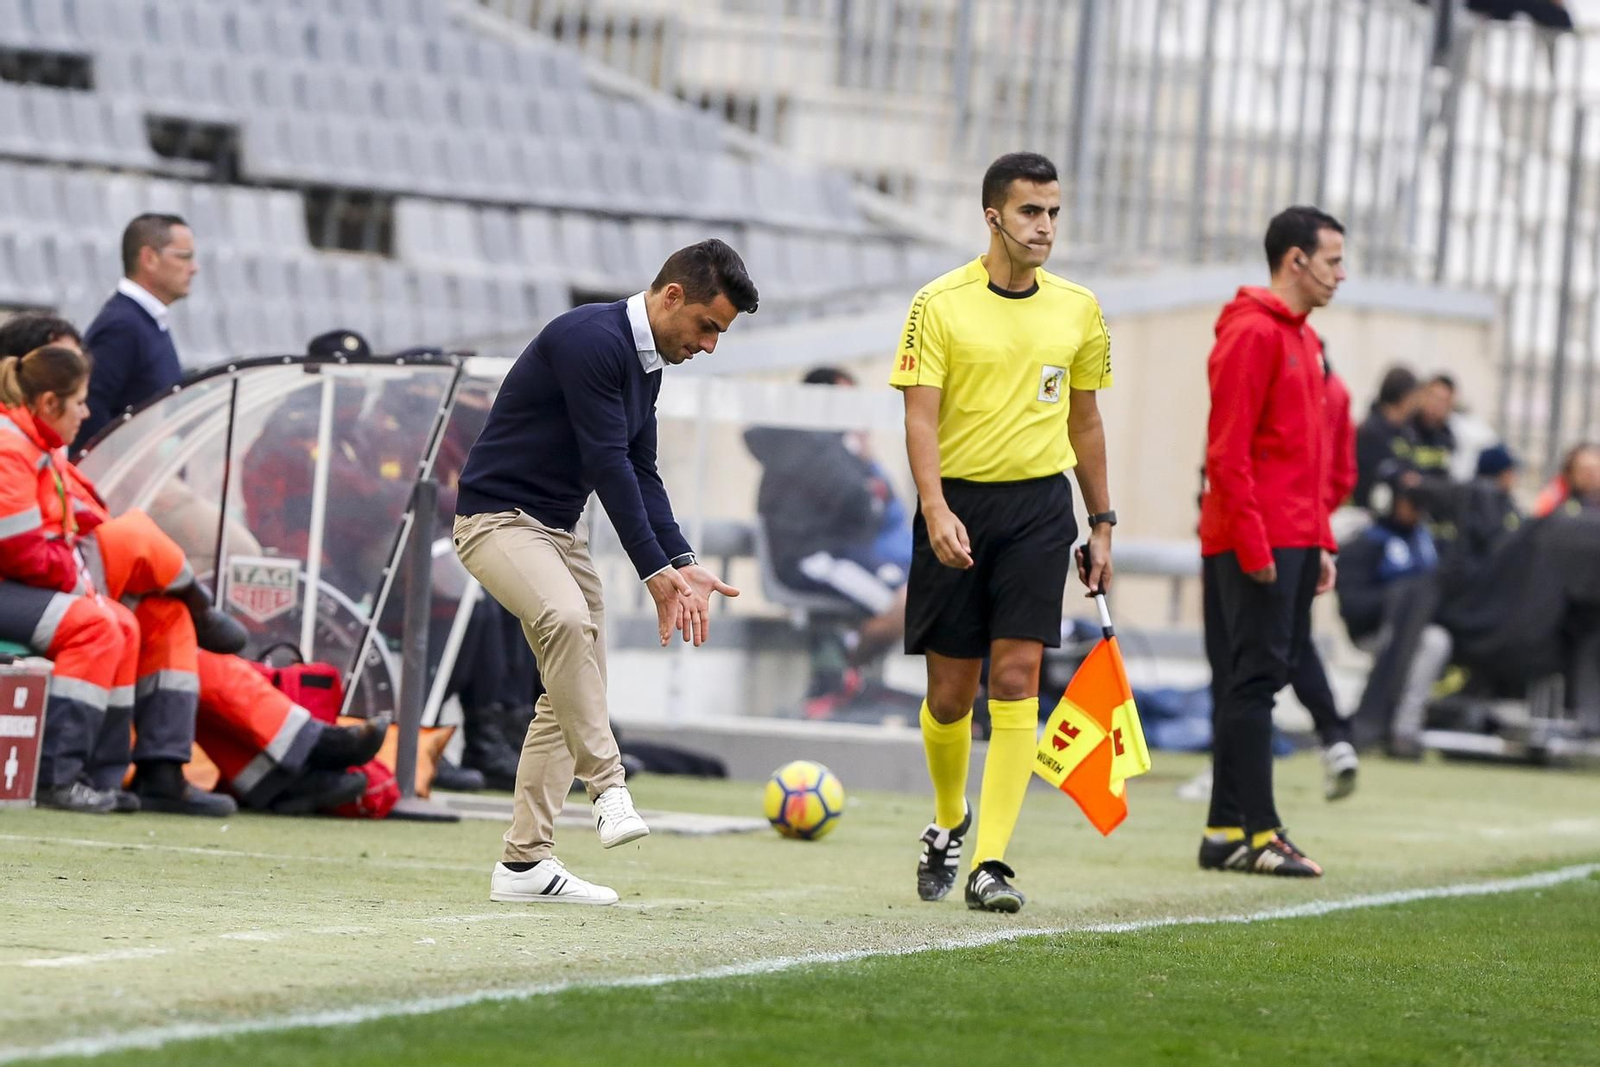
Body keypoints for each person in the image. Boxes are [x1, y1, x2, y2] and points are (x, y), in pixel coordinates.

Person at [454, 240, 757, 906]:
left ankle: (525, 863)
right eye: (708, 325)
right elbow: (606, 463)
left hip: (559, 535)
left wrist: (682, 561)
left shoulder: (645, 365)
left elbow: (641, 469)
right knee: (565, 622)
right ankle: (609, 787)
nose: (710, 344)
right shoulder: (590, 339)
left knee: (572, 689)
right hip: (496, 521)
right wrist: (651, 570)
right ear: (672, 295)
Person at [890, 152, 1114, 913]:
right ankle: (950, 817)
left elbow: (1086, 419)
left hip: (1038, 511)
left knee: (1017, 678)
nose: (1045, 226)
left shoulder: (1079, 308)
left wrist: (1102, 521)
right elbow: (920, 417)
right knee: (951, 695)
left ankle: (990, 861)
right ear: (993, 216)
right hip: (955, 506)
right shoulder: (938, 304)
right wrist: (934, 507)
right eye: (1030, 212)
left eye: (1053, 212)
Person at [1198, 205, 1345, 879]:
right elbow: (1228, 453)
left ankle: (1225, 829)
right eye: (1332, 260)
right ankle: (1260, 831)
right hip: (1252, 538)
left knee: (1252, 681)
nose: (1340, 274)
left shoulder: (1305, 341)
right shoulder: (1254, 334)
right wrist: (1257, 547)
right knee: (1252, 683)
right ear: (1296, 260)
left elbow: (1307, 459)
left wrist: (1318, 539)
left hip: (1289, 537)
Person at [744, 366, 913, 717]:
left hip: (841, 554)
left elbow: (874, 508)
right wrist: (863, 469)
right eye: (845, 403)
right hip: (811, 559)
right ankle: (839, 676)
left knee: (918, 599)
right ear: (821, 402)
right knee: (903, 608)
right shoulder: (808, 443)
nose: (854, 414)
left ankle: (845, 674)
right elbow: (861, 502)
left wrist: (864, 470)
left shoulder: (829, 447)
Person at [1337, 468, 1452, 759]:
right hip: (1376, 629)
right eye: (1408, 501)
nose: (1415, 509)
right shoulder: (1366, 541)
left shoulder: (1427, 543)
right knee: (1421, 642)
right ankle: (1377, 723)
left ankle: (1405, 728)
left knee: (1436, 641)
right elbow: (1352, 605)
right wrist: (1396, 599)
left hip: (1418, 629)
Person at [1288, 354, 1359, 801]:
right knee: (1294, 645)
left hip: (1269, 535)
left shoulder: (1299, 385)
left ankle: (1227, 769)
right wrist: (1317, 527)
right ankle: (1336, 737)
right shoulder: (1335, 391)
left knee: (1246, 662)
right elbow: (1340, 476)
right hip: (1304, 532)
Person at [77, 213, 197, 450]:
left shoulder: (144, 321)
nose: (194, 268)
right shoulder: (122, 326)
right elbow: (89, 413)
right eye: (184, 257)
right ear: (149, 258)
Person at [1354, 365, 1420, 509]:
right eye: (1415, 396)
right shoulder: (1369, 431)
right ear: (1404, 397)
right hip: (1367, 513)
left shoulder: (1408, 432)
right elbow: (1370, 474)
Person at [1410, 374, 1458, 485]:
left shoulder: (1447, 439)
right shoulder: (1406, 429)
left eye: (1442, 401)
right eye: (1432, 397)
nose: (1435, 405)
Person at [1533, 443, 1600, 516]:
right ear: (1571, 472)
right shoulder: (1556, 497)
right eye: (1585, 470)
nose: (1592, 475)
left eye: (1596, 469)